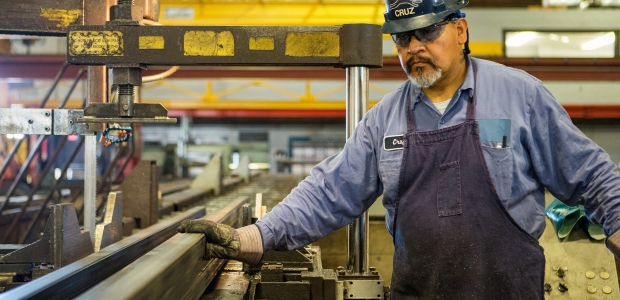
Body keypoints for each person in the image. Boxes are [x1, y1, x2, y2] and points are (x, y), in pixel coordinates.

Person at [177, 0, 620, 298]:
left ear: (461, 29)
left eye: (426, 32)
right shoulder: (384, 119)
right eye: (402, 39)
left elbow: (592, 176)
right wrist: (250, 237)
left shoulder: (520, 96)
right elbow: (329, 192)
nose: (413, 49)